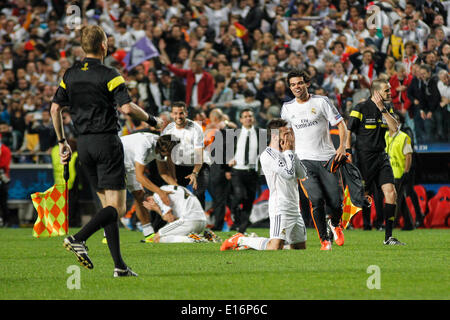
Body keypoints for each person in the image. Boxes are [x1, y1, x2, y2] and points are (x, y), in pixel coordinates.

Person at [50, 25, 162, 277]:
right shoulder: (110, 74)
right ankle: (78, 238)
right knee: (118, 209)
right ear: (104, 45)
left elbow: (55, 109)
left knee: (106, 209)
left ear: (82, 47)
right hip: (107, 143)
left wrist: (62, 142)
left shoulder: (69, 74)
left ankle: (119, 266)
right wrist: (153, 120)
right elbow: (126, 108)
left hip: (84, 146)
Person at [282, 69, 347, 250]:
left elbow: (341, 124)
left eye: (300, 83)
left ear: (307, 84)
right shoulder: (287, 108)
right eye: (293, 84)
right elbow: (283, 134)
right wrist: (285, 157)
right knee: (316, 199)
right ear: (290, 87)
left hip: (327, 159)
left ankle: (335, 223)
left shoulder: (321, 102)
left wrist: (342, 147)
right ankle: (325, 240)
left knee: (335, 201)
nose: (297, 87)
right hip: (303, 161)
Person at [221, 118, 307, 251]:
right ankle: (240, 239)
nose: (290, 136)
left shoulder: (287, 151)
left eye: (290, 133)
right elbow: (289, 173)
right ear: (274, 136)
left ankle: (247, 245)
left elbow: (302, 174)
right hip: (280, 207)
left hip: (294, 207)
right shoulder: (268, 154)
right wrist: (289, 152)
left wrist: (292, 152)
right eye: (286, 133)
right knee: (275, 247)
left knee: (299, 248)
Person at [346, 78, 406, 245]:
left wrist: (382, 109)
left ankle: (388, 237)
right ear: (376, 92)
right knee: (358, 198)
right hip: (363, 159)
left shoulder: (387, 108)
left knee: (391, 192)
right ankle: (335, 223)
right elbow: (349, 131)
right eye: (386, 90)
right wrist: (348, 153)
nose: (390, 93)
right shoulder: (359, 108)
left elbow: (394, 129)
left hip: (381, 156)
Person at [119, 133, 180, 243]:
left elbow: (164, 173)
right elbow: (140, 177)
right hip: (115, 161)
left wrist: (178, 189)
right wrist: (160, 192)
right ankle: (107, 234)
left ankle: (148, 234)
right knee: (117, 200)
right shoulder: (145, 145)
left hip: (129, 164)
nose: (171, 156)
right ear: (165, 148)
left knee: (140, 195)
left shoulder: (162, 147)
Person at [161, 101, 209, 209]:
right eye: (176, 113)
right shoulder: (168, 130)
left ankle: (199, 222)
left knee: (199, 193)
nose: (178, 116)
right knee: (177, 194)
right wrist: (173, 176)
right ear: (172, 115)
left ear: (186, 113)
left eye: (181, 113)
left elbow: (199, 154)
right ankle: (180, 221)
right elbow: (168, 156)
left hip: (198, 165)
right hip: (178, 166)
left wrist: (195, 173)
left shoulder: (196, 128)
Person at [142, 185, 219, 243]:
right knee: (169, 233)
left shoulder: (157, 195)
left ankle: (195, 239)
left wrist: (156, 208)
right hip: (202, 222)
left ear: (149, 199)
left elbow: (169, 218)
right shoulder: (170, 187)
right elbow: (174, 220)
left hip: (189, 221)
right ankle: (207, 237)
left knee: (157, 238)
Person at [227, 108, 263, 234]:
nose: (248, 118)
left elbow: (264, 152)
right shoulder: (234, 133)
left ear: (253, 118)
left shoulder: (260, 133)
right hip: (237, 171)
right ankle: (235, 214)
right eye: (245, 116)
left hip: (252, 172)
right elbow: (226, 150)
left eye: (250, 116)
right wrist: (228, 161)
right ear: (241, 119)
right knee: (239, 196)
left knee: (249, 201)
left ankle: (241, 229)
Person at [384, 113, 416, 230]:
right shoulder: (385, 135)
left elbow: (408, 156)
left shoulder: (404, 137)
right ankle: (408, 223)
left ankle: (392, 222)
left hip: (399, 173)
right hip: (388, 172)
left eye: (396, 120)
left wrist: (406, 172)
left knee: (395, 199)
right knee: (400, 199)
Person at [0, 140, 11, 227]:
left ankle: (6, 221)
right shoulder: (5, 149)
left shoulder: (4, 149)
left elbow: (4, 164)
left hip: (2, 177)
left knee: (3, 201)